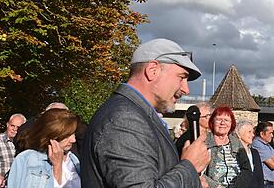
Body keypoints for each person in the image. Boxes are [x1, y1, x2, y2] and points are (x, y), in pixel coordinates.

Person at [81, 38, 211, 188]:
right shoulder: (124, 120)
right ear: (152, 70)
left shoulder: (136, 115)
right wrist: (190, 167)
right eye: (181, 77)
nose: (186, 89)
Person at [8, 108, 81, 188]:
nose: (73, 140)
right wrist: (57, 167)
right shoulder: (26, 159)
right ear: (53, 134)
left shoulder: (73, 159)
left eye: (74, 133)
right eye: (67, 135)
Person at [201, 106, 251, 188]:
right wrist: (216, 186)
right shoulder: (204, 142)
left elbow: (247, 169)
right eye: (218, 119)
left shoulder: (237, 143)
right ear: (212, 122)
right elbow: (198, 172)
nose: (222, 123)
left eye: (226, 120)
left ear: (231, 124)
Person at [0, 113, 25, 186]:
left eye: (18, 127)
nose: (15, 129)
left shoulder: (26, 144)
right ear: (7, 124)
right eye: (12, 126)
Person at [251, 121, 274, 188]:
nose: (272, 136)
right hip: (267, 184)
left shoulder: (267, 145)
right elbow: (273, 165)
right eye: (270, 133)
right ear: (262, 134)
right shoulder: (257, 144)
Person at [235, 121, 263, 188]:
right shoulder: (234, 152)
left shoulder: (254, 153)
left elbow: (260, 176)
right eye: (249, 132)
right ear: (239, 134)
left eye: (252, 132)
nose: (253, 135)